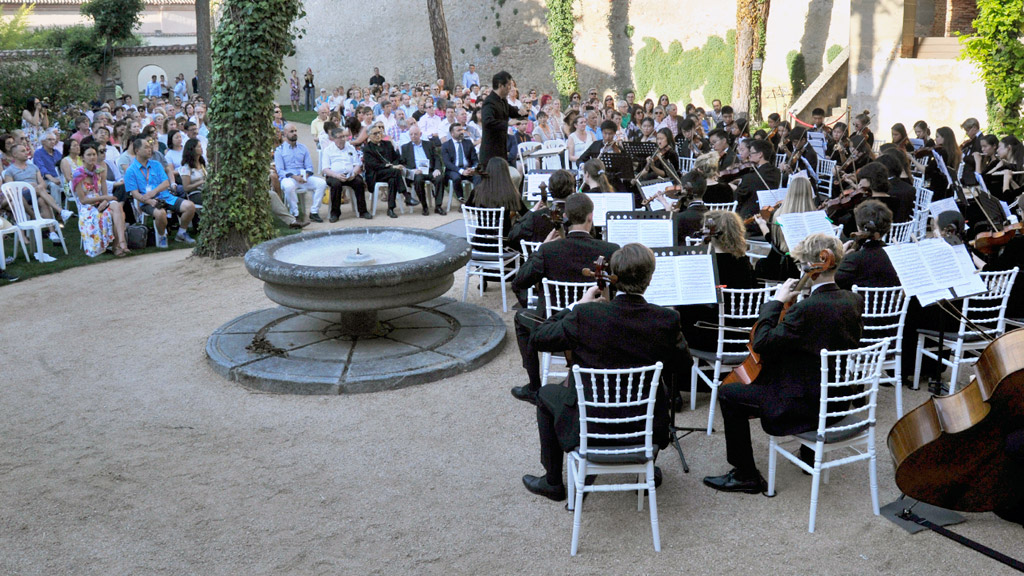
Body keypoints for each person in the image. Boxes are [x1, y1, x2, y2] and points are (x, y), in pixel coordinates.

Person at [522, 243, 689, 500]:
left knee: (545, 394)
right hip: (644, 427)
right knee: (660, 388)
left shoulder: (586, 315)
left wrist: (575, 305)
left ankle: (552, 481)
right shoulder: (666, 319)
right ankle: (644, 470)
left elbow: (539, 338)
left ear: (614, 277)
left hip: (589, 426)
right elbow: (683, 366)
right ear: (650, 278)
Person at [703, 232, 863, 494]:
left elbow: (762, 343)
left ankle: (745, 474)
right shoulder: (853, 300)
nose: (801, 271)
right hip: (837, 400)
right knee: (792, 368)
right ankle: (809, 455)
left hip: (804, 406)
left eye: (802, 265)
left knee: (728, 392)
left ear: (815, 265)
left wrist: (775, 302)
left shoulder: (805, 310)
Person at [510, 192, 620, 405]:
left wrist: (540, 248)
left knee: (520, 318)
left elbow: (519, 282)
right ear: (590, 218)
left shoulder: (549, 251)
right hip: (596, 324)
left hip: (555, 324)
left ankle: (534, 385)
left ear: (567, 216)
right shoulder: (610, 250)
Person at [680, 209, 757, 352]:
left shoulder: (703, 262)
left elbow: (690, 302)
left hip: (708, 336)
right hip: (742, 335)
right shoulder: (744, 261)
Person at [124, 136, 197, 247]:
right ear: (137, 150)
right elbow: (135, 194)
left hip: (166, 196)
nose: (150, 149)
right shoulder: (131, 170)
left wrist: (153, 192)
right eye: (146, 147)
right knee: (160, 213)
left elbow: (166, 183)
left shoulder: (156, 164)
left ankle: (181, 233)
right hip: (147, 202)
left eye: (150, 147)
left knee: (190, 206)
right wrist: (149, 201)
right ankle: (162, 236)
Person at [74, 143, 128, 257]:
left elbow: (104, 192)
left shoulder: (100, 170)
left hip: (100, 201)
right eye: (89, 155)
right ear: (82, 157)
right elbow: (83, 200)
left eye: (94, 154)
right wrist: (104, 199)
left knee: (117, 207)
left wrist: (104, 201)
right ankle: (117, 246)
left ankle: (120, 243)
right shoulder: (78, 174)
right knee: (118, 212)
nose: (92, 157)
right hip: (87, 206)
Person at [835, 200, 899, 289]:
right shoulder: (897, 255)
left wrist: (840, 259)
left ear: (859, 226)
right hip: (895, 302)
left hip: (859, 302)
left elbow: (833, 281)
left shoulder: (854, 259)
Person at [274, 123, 327, 222]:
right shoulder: (279, 150)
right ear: (285, 134)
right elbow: (280, 171)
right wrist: (295, 177)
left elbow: (309, 166)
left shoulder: (303, 148)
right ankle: (295, 213)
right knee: (289, 186)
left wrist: (305, 176)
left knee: (322, 183)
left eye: (295, 131)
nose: (294, 133)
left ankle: (314, 212)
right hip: (289, 178)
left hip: (304, 178)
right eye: (291, 131)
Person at [509, 169, 575, 248]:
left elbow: (513, 235)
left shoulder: (536, 216)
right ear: (572, 190)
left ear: (550, 190)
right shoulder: (577, 214)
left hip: (542, 258)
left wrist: (532, 211)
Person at [465, 157, 527, 238]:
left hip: (480, 240)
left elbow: (468, 207)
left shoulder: (477, 191)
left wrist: (483, 213)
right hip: (503, 242)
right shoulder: (510, 192)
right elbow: (525, 213)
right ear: (506, 173)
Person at [479, 71, 529, 169]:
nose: (511, 88)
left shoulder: (503, 100)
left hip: (501, 147)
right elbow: (487, 122)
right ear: (501, 85)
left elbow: (512, 111)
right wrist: (507, 123)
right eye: (509, 85)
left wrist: (522, 112)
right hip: (491, 150)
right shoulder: (489, 102)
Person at [362, 122, 411, 219]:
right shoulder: (367, 148)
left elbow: (397, 157)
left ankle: (391, 209)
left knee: (393, 179)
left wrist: (397, 164)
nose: (378, 135)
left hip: (390, 173)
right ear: (369, 136)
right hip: (376, 174)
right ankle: (406, 195)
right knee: (395, 172)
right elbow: (373, 165)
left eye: (379, 132)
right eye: (375, 133)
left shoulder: (387, 144)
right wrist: (390, 166)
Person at [322, 127, 371, 221]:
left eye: (344, 136)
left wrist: (354, 173)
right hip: (334, 175)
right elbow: (325, 169)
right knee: (336, 185)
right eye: (340, 137)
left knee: (359, 182)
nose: (343, 139)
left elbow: (357, 164)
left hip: (350, 174)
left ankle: (363, 211)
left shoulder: (350, 147)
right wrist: (337, 175)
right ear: (334, 139)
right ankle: (335, 213)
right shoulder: (328, 150)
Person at [400, 124, 445, 215]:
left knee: (440, 178)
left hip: (430, 171)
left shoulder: (429, 144)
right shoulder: (405, 147)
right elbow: (403, 164)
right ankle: (424, 206)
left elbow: (436, 158)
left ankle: (438, 206)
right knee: (418, 179)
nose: (413, 136)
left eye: (415, 134)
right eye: (411, 134)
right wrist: (413, 171)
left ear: (420, 134)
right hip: (417, 172)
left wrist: (437, 169)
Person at [733, 139, 781, 222]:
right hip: (770, 217)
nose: (749, 155)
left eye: (751, 152)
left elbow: (738, 198)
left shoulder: (750, 177)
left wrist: (733, 187)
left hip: (750, 220)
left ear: (760, 154)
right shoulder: (776, 172)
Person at [441, 122, 480, 203]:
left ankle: (474, 200)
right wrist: (461, 171)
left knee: (478, 177)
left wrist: (472, 168)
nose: (461, 132)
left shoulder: (468, 143)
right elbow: (447, 163)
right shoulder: (446, 145)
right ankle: (461, 200)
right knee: (456, 178)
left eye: (462, 130)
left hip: (468, 169)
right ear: (452, 133)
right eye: (458, 130)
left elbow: (475, 160)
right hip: (453, 170)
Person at [33, 131, 63, 209]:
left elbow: (63, 165)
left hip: (60, 177)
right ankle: (59, 211)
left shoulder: (57, 153)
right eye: (49, 139)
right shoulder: (38, 153)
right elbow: (41, 168)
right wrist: (52, 179)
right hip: (46, 180)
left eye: (54, 139)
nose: (53, 142)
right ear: (43, 142)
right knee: (54, 186)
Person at [179, 138, 207, 207]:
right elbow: (186, 187)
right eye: (199, 147)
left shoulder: (202, 163)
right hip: (195, 193)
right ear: (192, 149)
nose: (201, 148)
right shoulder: (187, 167)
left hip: (205, 190)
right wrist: (200, 182)